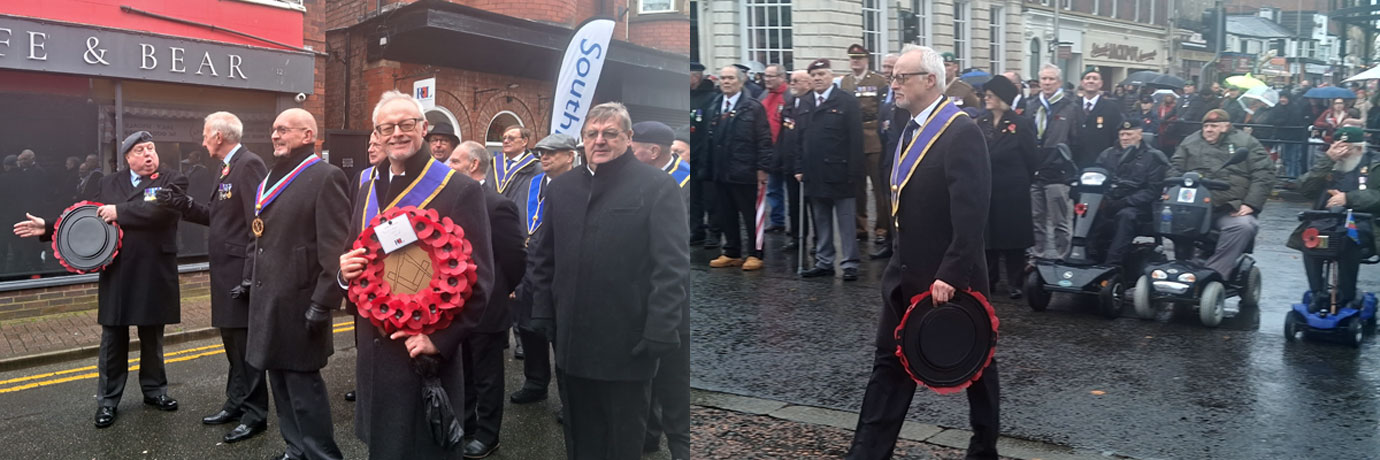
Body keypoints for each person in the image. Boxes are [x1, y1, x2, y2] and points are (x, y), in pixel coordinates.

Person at [847, 46, 998, 460]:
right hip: (905, 272)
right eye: (893, 76)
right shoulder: (905, 126)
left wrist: (951, 272)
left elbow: (972, 212)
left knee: (976, 365)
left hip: (950, 275)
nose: (893, 84)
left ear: (929, 80)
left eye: (901, 77)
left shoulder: (961, 130)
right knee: (888, 366)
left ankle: (984, 447)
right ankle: (866, 452)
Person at [526, 102, 689, 460]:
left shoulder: (658, 186)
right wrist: (543, 311)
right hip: (572, 339)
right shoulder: (562, 187)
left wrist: (662, 328)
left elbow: (672, 265)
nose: (599, 141)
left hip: (628, 340)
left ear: (628, 138)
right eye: (592, 134)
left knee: (622, 439)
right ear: (582, 140)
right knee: (580, 436)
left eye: (610, 133)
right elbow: (543, 255)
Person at [338, 91, 495, 460]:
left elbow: (481, 282)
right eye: (386, 127)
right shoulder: (365, 187)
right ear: (376, 135)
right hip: (374, 352)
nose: (397, 133)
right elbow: (352, 255)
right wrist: (344, 273)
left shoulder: (460, 189)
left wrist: (440, 341)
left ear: (423, 128)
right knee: (384, 446)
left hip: (422, 351)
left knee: (422, 448)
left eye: (406, 124)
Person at [13, 131, 186, 429]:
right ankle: (107, 402)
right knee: (113, 340)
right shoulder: (109, 182)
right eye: (141, 150)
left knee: (152, 336)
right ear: (128, 157)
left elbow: (162, 213)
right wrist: (49, 227)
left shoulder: (172, 179)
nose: (148, 155)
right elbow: (90, 217)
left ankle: (155, 391)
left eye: (152, 149)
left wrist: (119, 211)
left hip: (154, 268)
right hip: (117, 269)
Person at [153, 112, 271, 443]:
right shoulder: (227, 167)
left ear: (219, 136)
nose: (202, 141)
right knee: (232, 346)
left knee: (245, 349)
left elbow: (257, 225)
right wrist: (182, 204)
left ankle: (255, 414)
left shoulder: (249, 164)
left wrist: (249, 276)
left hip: (238, 274)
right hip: (224, 272)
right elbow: (217, 217)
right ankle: (236, 403)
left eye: (205, 135)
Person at [242, 109, 349, 460]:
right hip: (267, 299)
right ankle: (295, 449)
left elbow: (335, 249)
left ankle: (322, 455)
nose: (275, 135)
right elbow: (258, 236)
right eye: (273, 129)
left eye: (283, 130)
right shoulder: (271, 176)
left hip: (302, 302)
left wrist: (323, 302)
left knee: (304, 389)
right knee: (279, 384)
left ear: (307, 135)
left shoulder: (326, 176)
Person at [445, 140, 525, 459]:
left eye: (454, 161)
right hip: (454, 306)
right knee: (461, 370)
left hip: (488, 306)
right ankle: (464, 426)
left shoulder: (497, 204)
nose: (447, 166)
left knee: (487, 375)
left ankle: (487, 434)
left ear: (473, 165)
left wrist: (503, 287)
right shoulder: (448, 201)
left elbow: (515, 257)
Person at [508, 133, 580, 415]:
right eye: (541, 153)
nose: (544, 157)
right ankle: (535, 383)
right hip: (529, 268)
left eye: (552, 152)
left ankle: (570, 399)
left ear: (570, 156)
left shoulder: (581, 184)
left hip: (559, 271)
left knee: (561, 339)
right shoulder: (532, 183)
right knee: (529, 329)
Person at [1169, 109, 1274, 278]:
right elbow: (1175, 167)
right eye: (1206, 126)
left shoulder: (1246, 142)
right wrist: (1172, 190)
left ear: (1226, 126)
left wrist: (1251, 204)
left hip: (1229, 206)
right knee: (1164, 219)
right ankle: (1179, 266)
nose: (1209, 129)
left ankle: (1213, 273)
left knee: (1243, 226)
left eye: (1214, 126)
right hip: (1194, 206)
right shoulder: (1190, 142)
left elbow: (1264, 173)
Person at [1291, 126, 1380, 312]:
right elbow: (1304, 189)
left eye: (1346, 149)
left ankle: (1347, 295)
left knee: (1347, 239)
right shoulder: (1329, 163)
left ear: (1359, 148)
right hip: (1326, 220)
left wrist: (1349, 198)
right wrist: (1327, 161)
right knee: (1310, 239)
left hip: (1362, 222)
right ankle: (1317, 293)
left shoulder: (1374, 164)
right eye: (1337, 147)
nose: (1342, 153)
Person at [797, 58, 865, 281]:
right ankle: (824, 261)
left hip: (840, 171)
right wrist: (798, 166)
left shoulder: (846, 101)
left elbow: (856, 140)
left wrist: (855, 172)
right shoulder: (805, 102)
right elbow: (798, 138)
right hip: (813, 172)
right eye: (814, 75)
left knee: (846, 220)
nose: (817, 79)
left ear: (831, 76)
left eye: (822, 74)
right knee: (821, 219)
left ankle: (850, 263)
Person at [708, 65, 773, 271]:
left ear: (741, 81)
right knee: (725, 213)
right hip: (721, 169)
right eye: (723, 78)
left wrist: (763, 168)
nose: (726, 82)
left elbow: (764, 139)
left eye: (730, 78)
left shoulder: (753, 107)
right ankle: (732, 251)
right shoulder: (715, 105)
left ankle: (756, 253)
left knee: (750, 214)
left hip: (745, 170)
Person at [978, 75, 1038, 299]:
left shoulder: (1020, 124)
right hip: (988, 187)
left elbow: (1032, 157)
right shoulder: (982, 122)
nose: (987, 99)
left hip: (1012, 190)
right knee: (989, 237)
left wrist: (1022, 180)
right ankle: (989, 279)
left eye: (991, 95)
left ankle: (1015, 282)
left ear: (1002, 98)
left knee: (1013, 239)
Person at [1090, 121, 1169, 266]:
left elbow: (1153, 191)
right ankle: (1087, 256)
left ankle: (1112, 264)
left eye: (1129, 134)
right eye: (1122, 134)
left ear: (1140, 135)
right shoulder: (1108, 154)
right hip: (1110, 201)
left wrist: (1126, 201)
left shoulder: (1153, 157)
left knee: (1125, 216)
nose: (1124, 138)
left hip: (1139, 207)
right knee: (1086, 211)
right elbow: (1097, 175)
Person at [840, 44, 893, 247]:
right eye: (853, 58)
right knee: (857, 186)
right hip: (852, 139)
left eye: (859, 58)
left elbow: (883, 110)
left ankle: (881, 227)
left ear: (866, 60)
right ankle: (859, 227)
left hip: (873, 136)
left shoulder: (878, 81)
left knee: (879, 187)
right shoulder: (845, 81)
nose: (856, 62)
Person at [1027, 64, 1079, 260]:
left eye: (1051, 79)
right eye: (1044, 79)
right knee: (1036, 218)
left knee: (1059, 220)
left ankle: (1062, 255)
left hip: (1057, 171)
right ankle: (1037, 254)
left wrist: (1066, 162)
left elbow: (1076, 140)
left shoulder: (1070, 107)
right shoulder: (1032, 105)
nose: (1047, 83)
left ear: (1059, 82)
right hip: (1035, 170)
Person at [777, 69, 813, 252]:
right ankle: (798, 238)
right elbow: (784, 133)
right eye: (791, 80)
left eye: (797, 81)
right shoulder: (790, 104)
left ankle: (818, 240)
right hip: (790, 162)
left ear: (808, 83)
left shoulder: (813, 103)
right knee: (794, 203)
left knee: (813, 205)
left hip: (808, 163)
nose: (793, 84)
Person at [690, 62, 722, 247]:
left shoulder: (712, 98)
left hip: (707, 156)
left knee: (711, 198)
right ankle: (697, 229)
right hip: (690, 154)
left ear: (695, 77)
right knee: (694, 197)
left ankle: (714, 232)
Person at [1073, 68, 1123, 168]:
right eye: (1087, 78)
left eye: (1095, 78)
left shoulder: (1111, 108)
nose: (1091, 81)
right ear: (1082, 83)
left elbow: (1117, 136)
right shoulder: (1072, 106)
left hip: (1101, 162)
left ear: (1100, 84)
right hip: (1075, 162)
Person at [760, 64, 789, 232]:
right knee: (773, 188)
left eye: (771, 76)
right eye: (766, 76)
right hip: (768, 150)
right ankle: (777, 221)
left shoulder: (788, 96)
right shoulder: (764, 95)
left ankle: (794, 223)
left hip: (785, 151)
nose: (768, 79)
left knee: (790, 190)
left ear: (781, 78)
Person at [485, 124, 540, 200]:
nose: (506, 141)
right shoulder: (494, 164)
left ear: (524, 141)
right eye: (504, 138)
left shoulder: (536, 168)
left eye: (511, 138)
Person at [632, 121, 691, 190]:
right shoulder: (632, 172)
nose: (628, 155)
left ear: (654, 152)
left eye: (632, 151)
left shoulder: (686, 183)